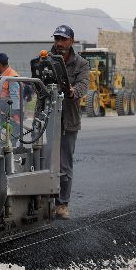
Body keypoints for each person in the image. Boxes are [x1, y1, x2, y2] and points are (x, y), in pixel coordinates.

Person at [49, 25, 90, 220]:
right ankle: (45, 202)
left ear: (71, 42)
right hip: (47, 120)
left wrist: (73, 92)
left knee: (65, 165)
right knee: (43, 161)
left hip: (68, 120)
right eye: (57, 39)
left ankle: (62, 204)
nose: (59, 43)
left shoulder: (81, 63)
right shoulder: (45, 59)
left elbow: (83, 85)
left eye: (64, 39)